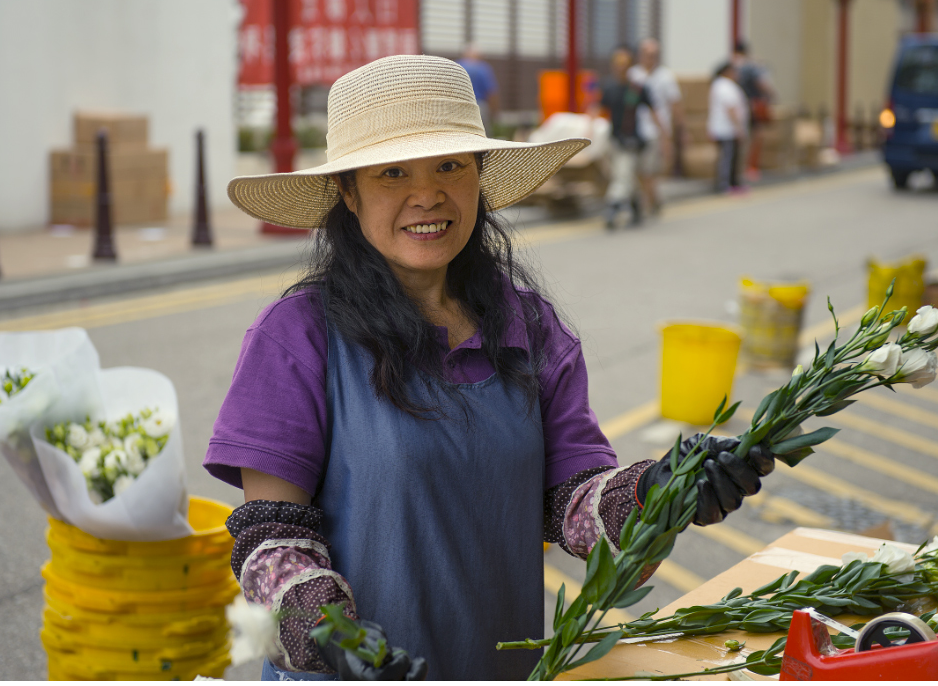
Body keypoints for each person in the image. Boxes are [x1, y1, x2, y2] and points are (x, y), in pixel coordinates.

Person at [206, 54, 775, 681]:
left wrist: (663, 489)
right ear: (348, 191)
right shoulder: (296, 338)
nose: (428, 195)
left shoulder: (526, 327)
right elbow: (270, 540)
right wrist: (327, 628)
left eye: (451, 165)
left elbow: (571, 504)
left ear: (479, 176)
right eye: (393, 172)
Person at [595, 46, 668, 229]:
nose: (620, 67)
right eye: (617, 63)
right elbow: (597, 109)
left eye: (624, 63)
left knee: (623, 175)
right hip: (614, 140)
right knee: (626, 176)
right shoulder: (609, 87)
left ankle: (612, 207)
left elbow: (653, 111)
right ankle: (636, 206)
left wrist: (665, 136)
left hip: (631, 141)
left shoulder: (637, 88)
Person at [627, 38, 683, 217]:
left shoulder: (666, 76)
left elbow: (675, 105)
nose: (650, 58)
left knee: (649, 171)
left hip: (655, 131)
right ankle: (653, 199)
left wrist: (674, 133)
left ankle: (650, 202)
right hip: (634, 131)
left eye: (654, 55)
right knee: (636, 171)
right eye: (647, 54)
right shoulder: (632, 75)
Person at [732, 41, 774, 182]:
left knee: (740, 136)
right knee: (757, 136)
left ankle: (740, 167)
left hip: (736, 106)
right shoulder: (752, 67)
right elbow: (762, 84)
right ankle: (751, 167)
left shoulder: (731, 66)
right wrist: (772, 95)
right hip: (753, 105)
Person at [707, 61, 749, 194]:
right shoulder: (725, 86)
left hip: (724, 128)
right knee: (727, 158)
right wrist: (739, 128)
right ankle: (724, 184)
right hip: (727, 129)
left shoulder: (720, 85)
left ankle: (732, 182)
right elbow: (730, 109)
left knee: (730, 157)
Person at [456, 43, 500, 138]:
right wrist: (494, 113)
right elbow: (491, 92)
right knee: (483, 137)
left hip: (458, 106)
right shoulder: (483, 68)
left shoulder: (457, 66)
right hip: (479, 107)